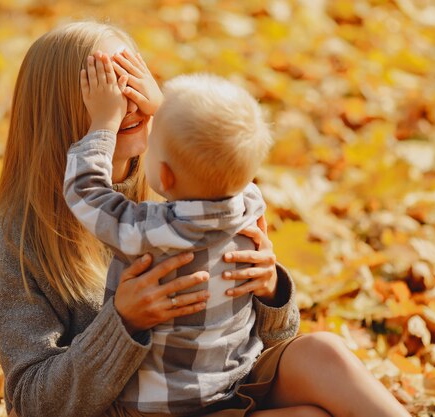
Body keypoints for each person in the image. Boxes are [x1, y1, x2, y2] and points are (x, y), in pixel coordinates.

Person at [0, 21, 412, 417]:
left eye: (134, 82)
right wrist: (122, 322)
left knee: (324, 353)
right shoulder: (18, 239)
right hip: (137, 407)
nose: (128, 104)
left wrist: (269, 290)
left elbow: (274, 340)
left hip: (221, 380)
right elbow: (31, 403)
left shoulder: (173, 182)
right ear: (58, 110)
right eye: (107, 91)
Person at [64, 65, 278, 415]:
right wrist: (171, 115)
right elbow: (213, 149)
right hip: (231, 382)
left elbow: (86, 191)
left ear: (163, 173)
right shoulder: (249, 206)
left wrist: (103, 124)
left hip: (158, 407)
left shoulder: (152, 232)